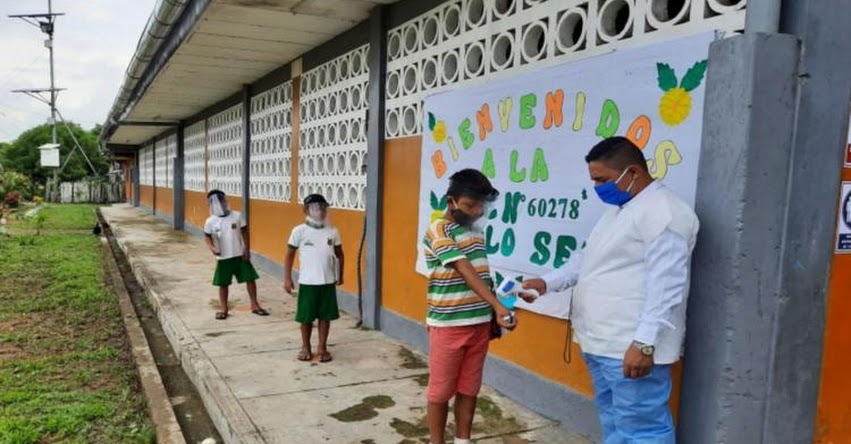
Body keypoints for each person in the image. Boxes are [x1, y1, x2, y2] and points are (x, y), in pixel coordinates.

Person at [522, 137, 699, 444]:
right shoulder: (619, 210)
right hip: (602, 342)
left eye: (601, 180)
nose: (597, 188)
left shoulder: (665, 213)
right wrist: (548, 282)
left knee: (643, 428)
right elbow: (588, 257)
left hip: (630, 346)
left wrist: (644, 344)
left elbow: (667, 285)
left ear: (631, 172)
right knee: (615, 420)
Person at [422, 169, 520, 444]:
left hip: (478, 324)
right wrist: (497, 306)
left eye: (481, 206)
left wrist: (501, 308)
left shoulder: (475, 233)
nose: (477, 211)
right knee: (440, 391)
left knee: (469, 387)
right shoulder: (438, 229)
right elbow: (463, 268)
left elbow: (481, 275)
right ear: (451, 201)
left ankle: (462, 440)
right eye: (470, 205)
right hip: (448, 325)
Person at [283, 194, 344, 363]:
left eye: (323, 207)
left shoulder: (333, 231)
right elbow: (289, 255)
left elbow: (339, 255)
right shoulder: (299, 231)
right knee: (306, 317)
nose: (320, 211)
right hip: (308, 282)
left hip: (327, 282)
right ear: (306, 210)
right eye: (315, 208)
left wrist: (340, 275)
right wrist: (287, 278)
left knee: (325, 316)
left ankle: (322, 347)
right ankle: (305, 346)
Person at [203, 189, 269, 320]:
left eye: (221, 200)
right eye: (214, 201)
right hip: (223, 257)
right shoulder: (210, 221)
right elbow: (207, 236)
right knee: (223, 284)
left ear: (225, 200)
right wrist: (212, 248)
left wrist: (247, 249)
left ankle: (255, 305)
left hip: (239, 254)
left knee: (250, 279)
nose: (218, 203)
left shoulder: (237, 216)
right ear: (210, 204)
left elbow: (245, 232)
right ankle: (223, 308)